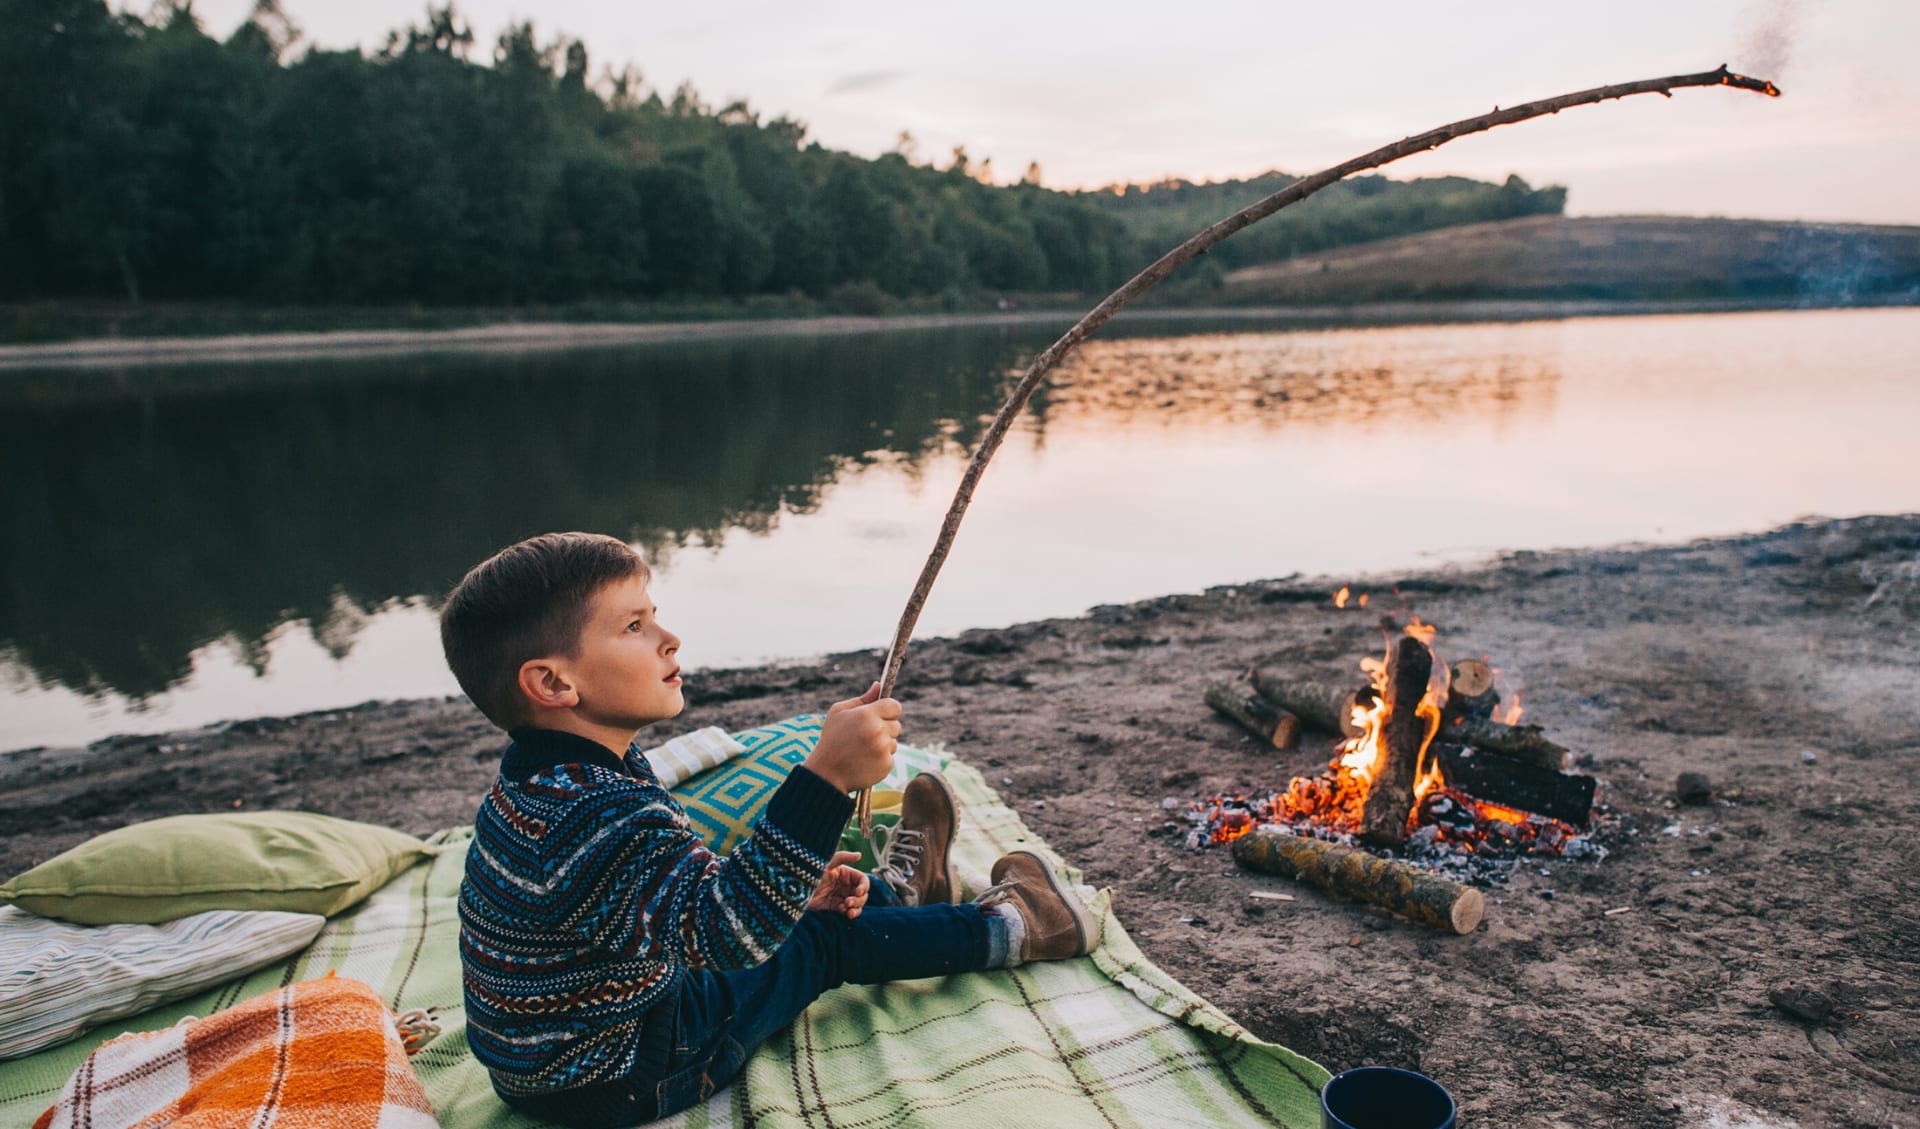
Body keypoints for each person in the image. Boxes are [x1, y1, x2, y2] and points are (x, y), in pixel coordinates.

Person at [440, 531, 1099, 1127]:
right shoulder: (592, 812)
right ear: (554, 682)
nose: (668, 639)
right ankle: (1016, 927)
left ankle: (902, 894)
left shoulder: (542, 785)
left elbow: (653, 899)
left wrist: (791, 886)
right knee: (818, 944)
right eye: (634, 626)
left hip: (561, 1059)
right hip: (626, 1071)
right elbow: (730, 936)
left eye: (655, 615)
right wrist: (826, 777)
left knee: (796, 910)